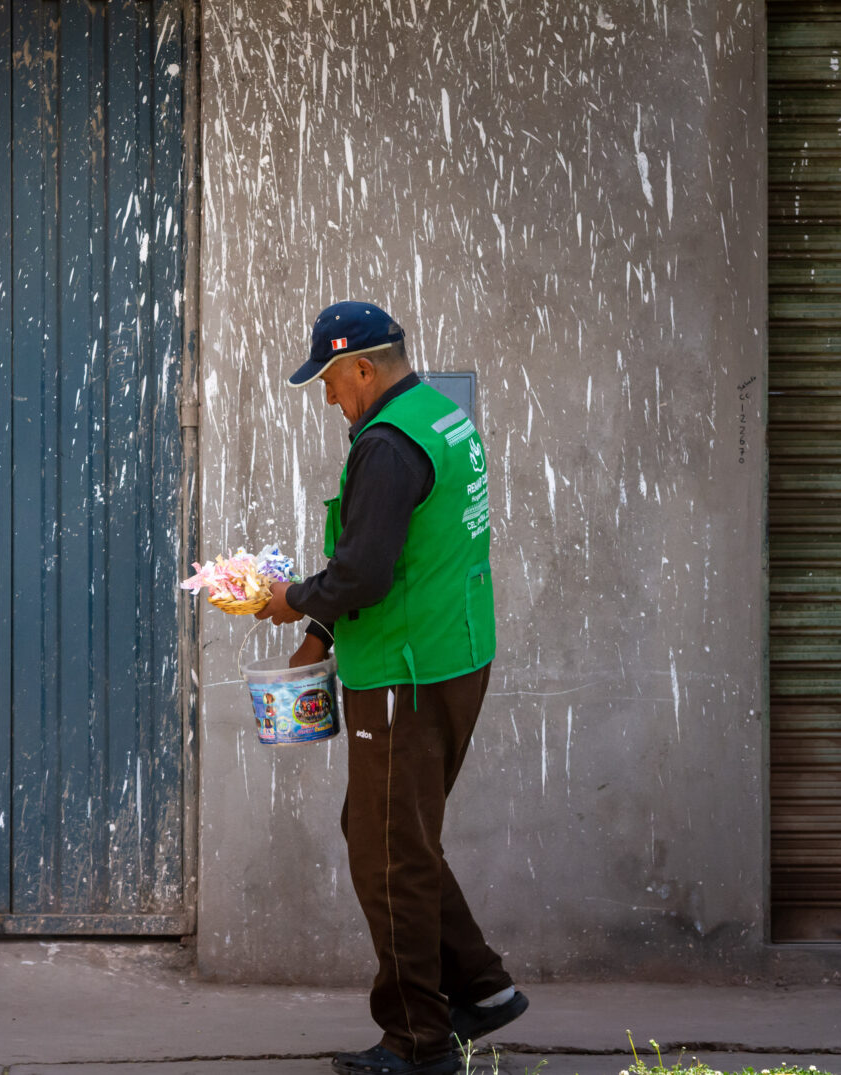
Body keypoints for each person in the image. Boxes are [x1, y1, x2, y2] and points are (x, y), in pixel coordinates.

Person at [256, 301, 527, 1075]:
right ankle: (482, 984)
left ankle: (418, 1040)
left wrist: (294, 601)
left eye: (332, 382)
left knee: (389, 855)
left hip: (404, 678)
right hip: (453, 654)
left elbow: (366, 571)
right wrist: (322, 635)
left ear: (365, 369)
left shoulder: (386, 446)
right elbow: (404, 555)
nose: (330, 398)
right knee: (383, 833)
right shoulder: (440, 418)